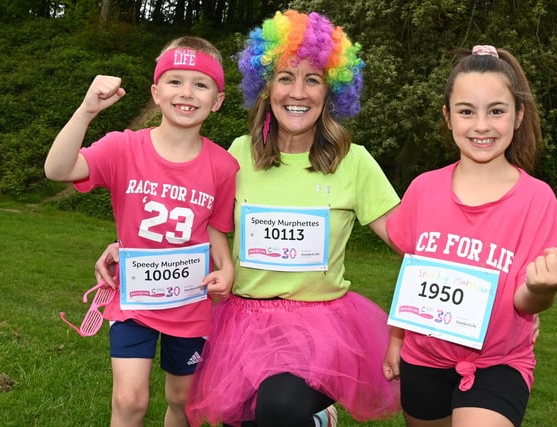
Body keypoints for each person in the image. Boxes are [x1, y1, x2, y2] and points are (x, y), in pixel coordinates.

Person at [94, 9, 401, 427]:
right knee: (244, 416)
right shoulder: (237, 154)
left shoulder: (355, 162)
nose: (299, 92)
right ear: (266, 87)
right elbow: (198, 220)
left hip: (319, 326)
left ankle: (310, 414)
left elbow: (410, 241)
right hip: (241, 320)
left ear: (331, 93)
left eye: (313, 80)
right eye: (285, 78)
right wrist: (126, 249)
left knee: (278, 406)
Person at [381, 45, 557, 427]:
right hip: (423, 358)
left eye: (497, 110)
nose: (481, 125)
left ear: (519, 115)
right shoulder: (423, 189)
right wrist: (396, 339)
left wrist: (543, 289)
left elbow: (526, 302)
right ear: (448, 116)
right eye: (466, 111)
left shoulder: (537, 200)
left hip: (498, 364)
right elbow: (414, 274)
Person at [44, 36, 239, 427]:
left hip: (191, 302)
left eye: (201, 84)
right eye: (175, 81)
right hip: (135, 301)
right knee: (129, 401)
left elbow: (217, 230)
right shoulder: (123, 147)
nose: (187, 93)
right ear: (156, 91)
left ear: (217, 100)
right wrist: (86, 111)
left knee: (182, 400)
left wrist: (228, 269)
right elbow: (58, 170)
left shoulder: (223, 166)